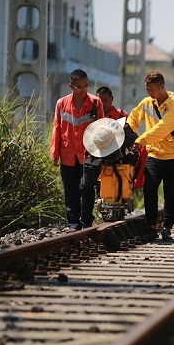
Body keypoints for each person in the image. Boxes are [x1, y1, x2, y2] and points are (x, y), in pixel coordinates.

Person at [128, 71, 174, 242]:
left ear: (162, 86)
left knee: (171, 194)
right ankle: (151, 225)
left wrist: (141, 140)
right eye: (147, 90)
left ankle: (167, 228)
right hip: (155, 154)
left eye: (152, 90)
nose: (149, 94)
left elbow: (163, 128)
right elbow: (133, 118)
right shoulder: (147, 103)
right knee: (150, 188)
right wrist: (127, 131)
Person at [50, 69, 105, 230]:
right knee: (70, 188)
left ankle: (87, 220)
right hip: (67, 152)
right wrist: (54, 153)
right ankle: (73, 222)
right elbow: (56, 128)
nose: (83, 90)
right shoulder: (61, 103)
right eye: (79, 87)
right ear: (71, 86)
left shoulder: (96, 103)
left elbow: (101, 127)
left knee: (86, 186)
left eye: (86, 86)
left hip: (88, 153)